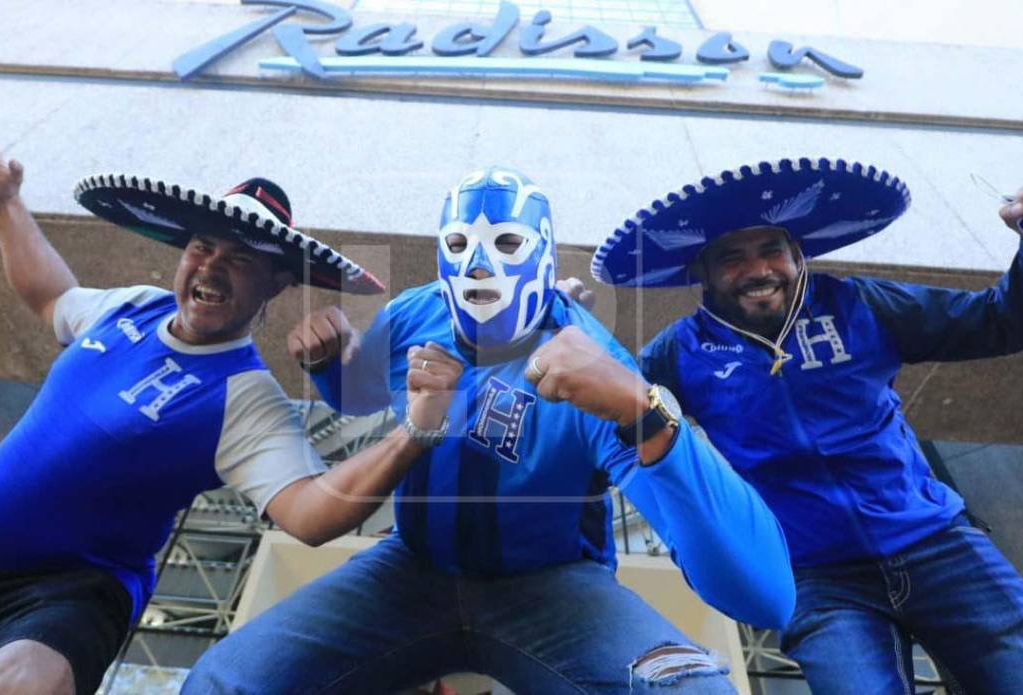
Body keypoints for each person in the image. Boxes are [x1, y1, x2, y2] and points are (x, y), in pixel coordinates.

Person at [184, 166, 795, 694]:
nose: (478, 264)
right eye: (458, 243)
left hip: (552, 587)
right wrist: (327, 369)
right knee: (222, 682)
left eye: (506, 242)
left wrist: (644, 411)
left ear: (545, 251)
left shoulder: (594, 360)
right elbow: (364, 395)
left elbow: (764, 597)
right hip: (409, 569)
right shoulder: (412, 314)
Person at [0, 135, 461, 694]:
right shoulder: (132, 306)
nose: (212, 268)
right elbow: (52, 295)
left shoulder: (245, 396)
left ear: (279, 283)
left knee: (24, 687)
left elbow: (310, 512)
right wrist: (5, 204)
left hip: (66, 593)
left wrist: (411, 433)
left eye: (240, 259)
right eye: (202, 248)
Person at [588, 157, 1023, 693]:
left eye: (771, 251)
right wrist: (555, 332)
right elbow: (600, 427)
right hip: (814, 581)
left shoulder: (860, 304)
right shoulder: (676, 354)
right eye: (731, 258)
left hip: (942, 546)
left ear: (796, 255)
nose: (757, 270)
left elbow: (1004, 320)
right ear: (702, 273)